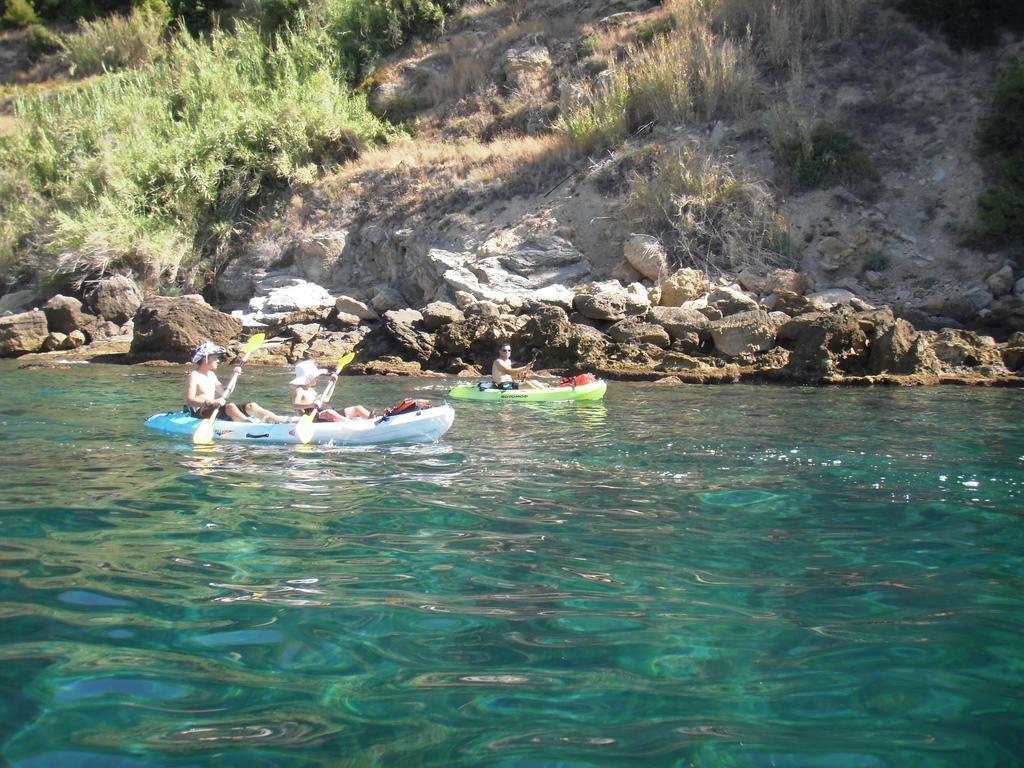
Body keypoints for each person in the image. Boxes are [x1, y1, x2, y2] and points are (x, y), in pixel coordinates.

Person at [185, 341, 284, 423]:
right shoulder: (194, 375)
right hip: (200, 411)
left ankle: (282, 422)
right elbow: (190, 400)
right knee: (230, 407)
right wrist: (211, 402)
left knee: (251, 406)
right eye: (215, 358)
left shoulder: (211, 375)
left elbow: (225, 393)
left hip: (215, 408)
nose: (218, 361)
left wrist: (234, 376)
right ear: (205, 359)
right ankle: (251, 427)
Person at [290, 359, 371, 421]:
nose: (317, 378)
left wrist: (334, 382)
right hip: (316, 418)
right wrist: (311, 405)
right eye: (315, 376)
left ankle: (373, 420)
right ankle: (349, 423)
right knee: (329, 412)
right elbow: (295, 405)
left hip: (329, 413)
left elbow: (326, 398)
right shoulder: (299, 390)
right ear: (308, 378)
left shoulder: (311, 390)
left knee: (358, 408)